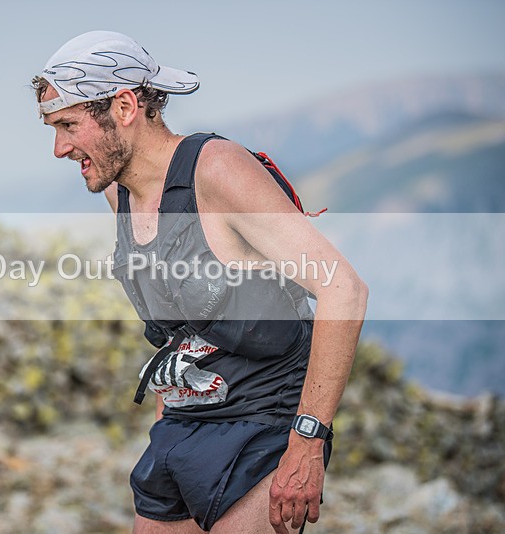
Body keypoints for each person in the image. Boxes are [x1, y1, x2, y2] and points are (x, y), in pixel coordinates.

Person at [31, 31, 368, 533]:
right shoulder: (119, 195)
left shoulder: (217, 170)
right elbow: (178, 326)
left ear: (124, 107)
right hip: (183, 426)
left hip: (267, 427)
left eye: (68, 125)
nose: (59, 148)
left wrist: (307, 443)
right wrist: (167, 422)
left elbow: (344, 289)